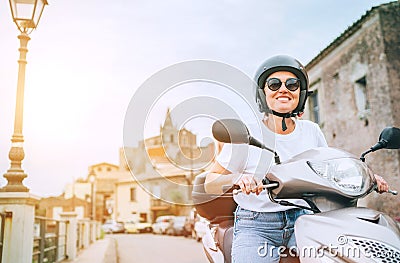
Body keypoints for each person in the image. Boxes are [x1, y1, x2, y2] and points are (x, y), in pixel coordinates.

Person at [205, 54, 389, 263]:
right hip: (256, 225)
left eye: (292, 84)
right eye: (274, 84)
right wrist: (236, 178)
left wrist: (368, 177)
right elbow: (211, 182)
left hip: (305, 218)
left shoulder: (312, 131)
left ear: (299, 94)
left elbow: (330, 169)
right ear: (262, 93)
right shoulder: (246, 134)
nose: (283, 89)